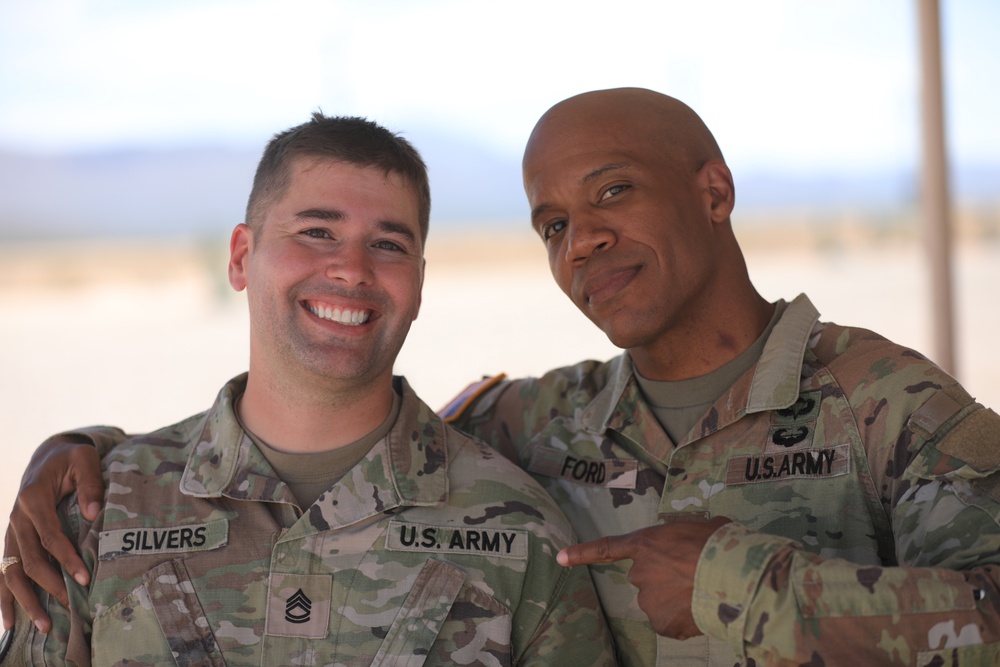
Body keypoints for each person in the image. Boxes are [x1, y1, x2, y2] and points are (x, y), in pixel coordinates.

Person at [6, 87, 1000, 665]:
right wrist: (80, 454)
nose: (584, 239)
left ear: (713, 190)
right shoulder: (544, 424)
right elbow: (346, 445)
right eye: (552, 223)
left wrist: (744, 581)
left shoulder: (890, 407)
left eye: (613, 190)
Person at [0, 113, 613, 665]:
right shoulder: (97, 512)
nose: (352, 268)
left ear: (419, 285)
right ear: (242, 256)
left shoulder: (521, 532)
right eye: (318, 232)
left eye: (389, 244)